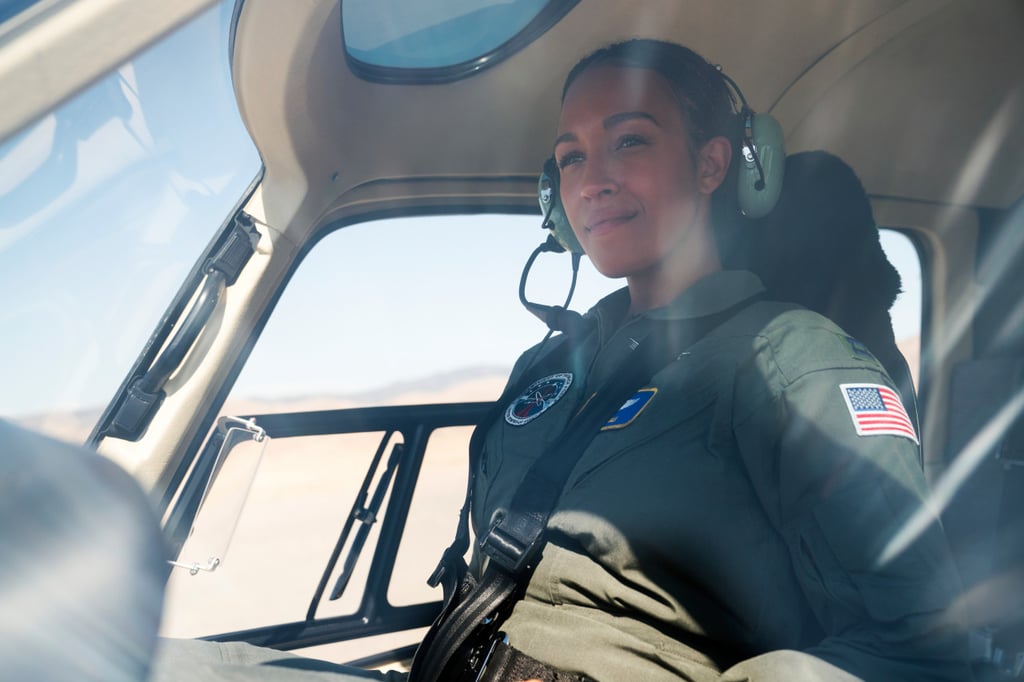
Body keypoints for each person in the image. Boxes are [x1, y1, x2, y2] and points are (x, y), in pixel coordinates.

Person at [153, 38, 971, 682]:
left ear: (716, 164)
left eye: (630, 142)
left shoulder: (799, 362)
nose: (591, 179)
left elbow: (920, 650)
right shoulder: (550, 368)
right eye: (572, 157)